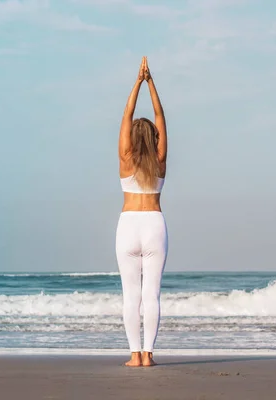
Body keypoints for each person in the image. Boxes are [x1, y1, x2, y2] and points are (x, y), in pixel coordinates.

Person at [116, 56, 168, 367]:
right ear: (154, 139)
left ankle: (134, 355)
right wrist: (152, 83)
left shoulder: (125, 158)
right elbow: (160, 116)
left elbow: (127, 114)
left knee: (130, 295)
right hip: (155, 226)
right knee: (152, 295)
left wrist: (137, 81)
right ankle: (148, 354)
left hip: (128, 226)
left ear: (133, 139)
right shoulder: (160, 160)